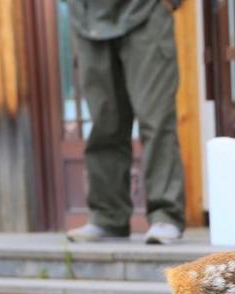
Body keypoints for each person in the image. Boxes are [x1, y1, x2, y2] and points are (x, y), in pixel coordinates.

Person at [65, 0, 185, 245]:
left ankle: (165, 214)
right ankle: (107, 216)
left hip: (146, 12)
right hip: (87, 19)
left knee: (156, 119)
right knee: (103, 124)